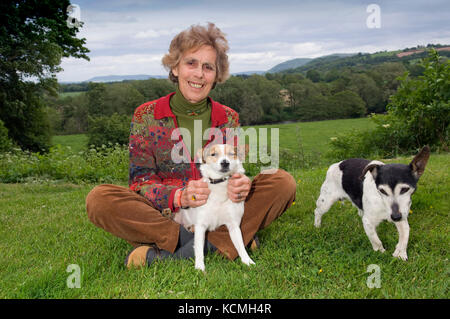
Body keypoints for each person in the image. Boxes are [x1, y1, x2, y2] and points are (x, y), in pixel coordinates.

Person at [85, 23, 296, 268]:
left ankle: (175, 253)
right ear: (175, 67)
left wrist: (241, 184)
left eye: (208, 67)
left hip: (220, 207)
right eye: (191, 63)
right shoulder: (146, 116)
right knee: (100, 199)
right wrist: (179, 196)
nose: (199, 74)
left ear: (216, 75)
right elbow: (140, 182)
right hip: (171, 214)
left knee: (282, 181)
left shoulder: (228, 117)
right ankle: (221, 242)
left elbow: (233, 168)